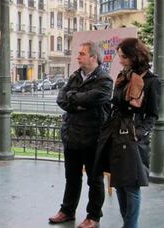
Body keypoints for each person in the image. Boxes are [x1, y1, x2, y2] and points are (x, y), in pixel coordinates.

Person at [95, 38, 160, 228]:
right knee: (120, 184)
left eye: (123, 57)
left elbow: (153, 114)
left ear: (134, 55)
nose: (120, 60)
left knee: (131, 186)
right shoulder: (123, 77)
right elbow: (115, 104)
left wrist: (139, 133)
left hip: (132, 138)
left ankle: (130, 226)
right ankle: (127, 224)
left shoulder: (151, 81)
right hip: (115, 134)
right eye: (120, 56)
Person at [49, 41, 113, 227]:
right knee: (72, 177)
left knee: (95, 180)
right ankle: (67, 211)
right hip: (72, 136)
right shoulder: (75, 76)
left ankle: (93, 217)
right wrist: (77, 101)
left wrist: (74, 99)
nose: (78, 56)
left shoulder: (105, 80)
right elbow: (62, 98)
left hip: (93, 138)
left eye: (82, 54)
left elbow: (93, 98)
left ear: (93, 57)